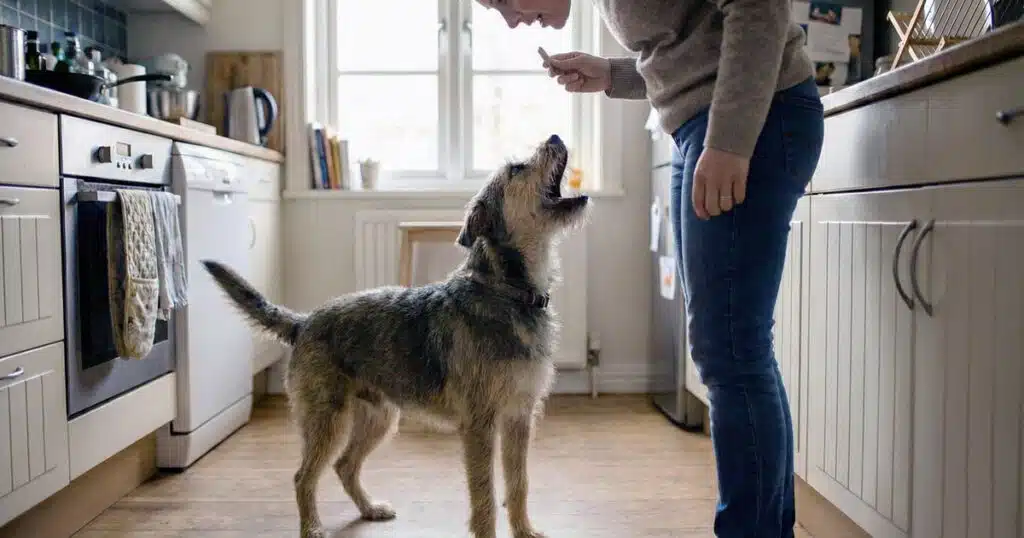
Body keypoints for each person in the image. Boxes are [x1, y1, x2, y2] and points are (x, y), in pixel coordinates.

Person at [476, 1, 825, 537]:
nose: (511, 19)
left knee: (730, 348)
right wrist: (612, 74)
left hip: (750, 122)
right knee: (734, 347)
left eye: (502, 0)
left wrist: (729, 140)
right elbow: (692, 46)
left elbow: (757, 7)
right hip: (704, 126)